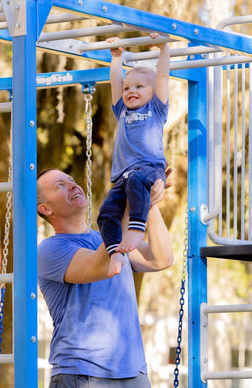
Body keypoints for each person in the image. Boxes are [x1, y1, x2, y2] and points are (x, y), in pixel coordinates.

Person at [37, 168, 173, 388]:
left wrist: (149, 203)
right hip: (83, 373)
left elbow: (161, 258)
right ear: (45, 208)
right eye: (60, 185)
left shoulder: (104, 238)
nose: (72, 184)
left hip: (133, 372)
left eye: (71, 179)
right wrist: (132, 197)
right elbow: (100, 265)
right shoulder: (49, 250)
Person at [97, 33, 171, 277]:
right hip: (123, 176)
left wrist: (163, 50)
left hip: (149, 168)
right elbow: (115, 82)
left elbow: (162, 75)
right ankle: (114, 253)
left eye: (140, 86)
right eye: (128, 88)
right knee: (107, 212)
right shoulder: (121, 111)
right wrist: (117, 58)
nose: (131, 91)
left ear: (153, 91)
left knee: (138, 181)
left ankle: (138, 229)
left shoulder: (156, 109)